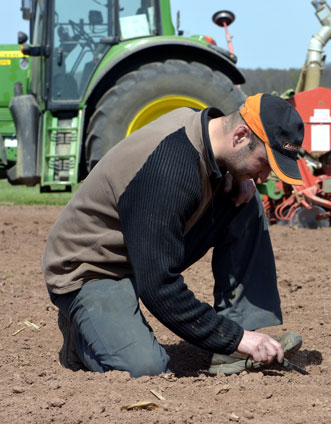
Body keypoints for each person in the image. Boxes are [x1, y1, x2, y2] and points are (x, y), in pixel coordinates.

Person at [42, 93, 305, 377]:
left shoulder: (208, 130)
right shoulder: (169, 171)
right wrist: (237, 338)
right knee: (145, 370)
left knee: (246, 202)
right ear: (240, 136)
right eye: (264, 163)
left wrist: (233, 173)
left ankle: (231, 349)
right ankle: (81, 332)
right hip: (93, 266)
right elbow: (158, 286)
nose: (264, 177)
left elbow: (216, 162)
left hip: (138, 245)